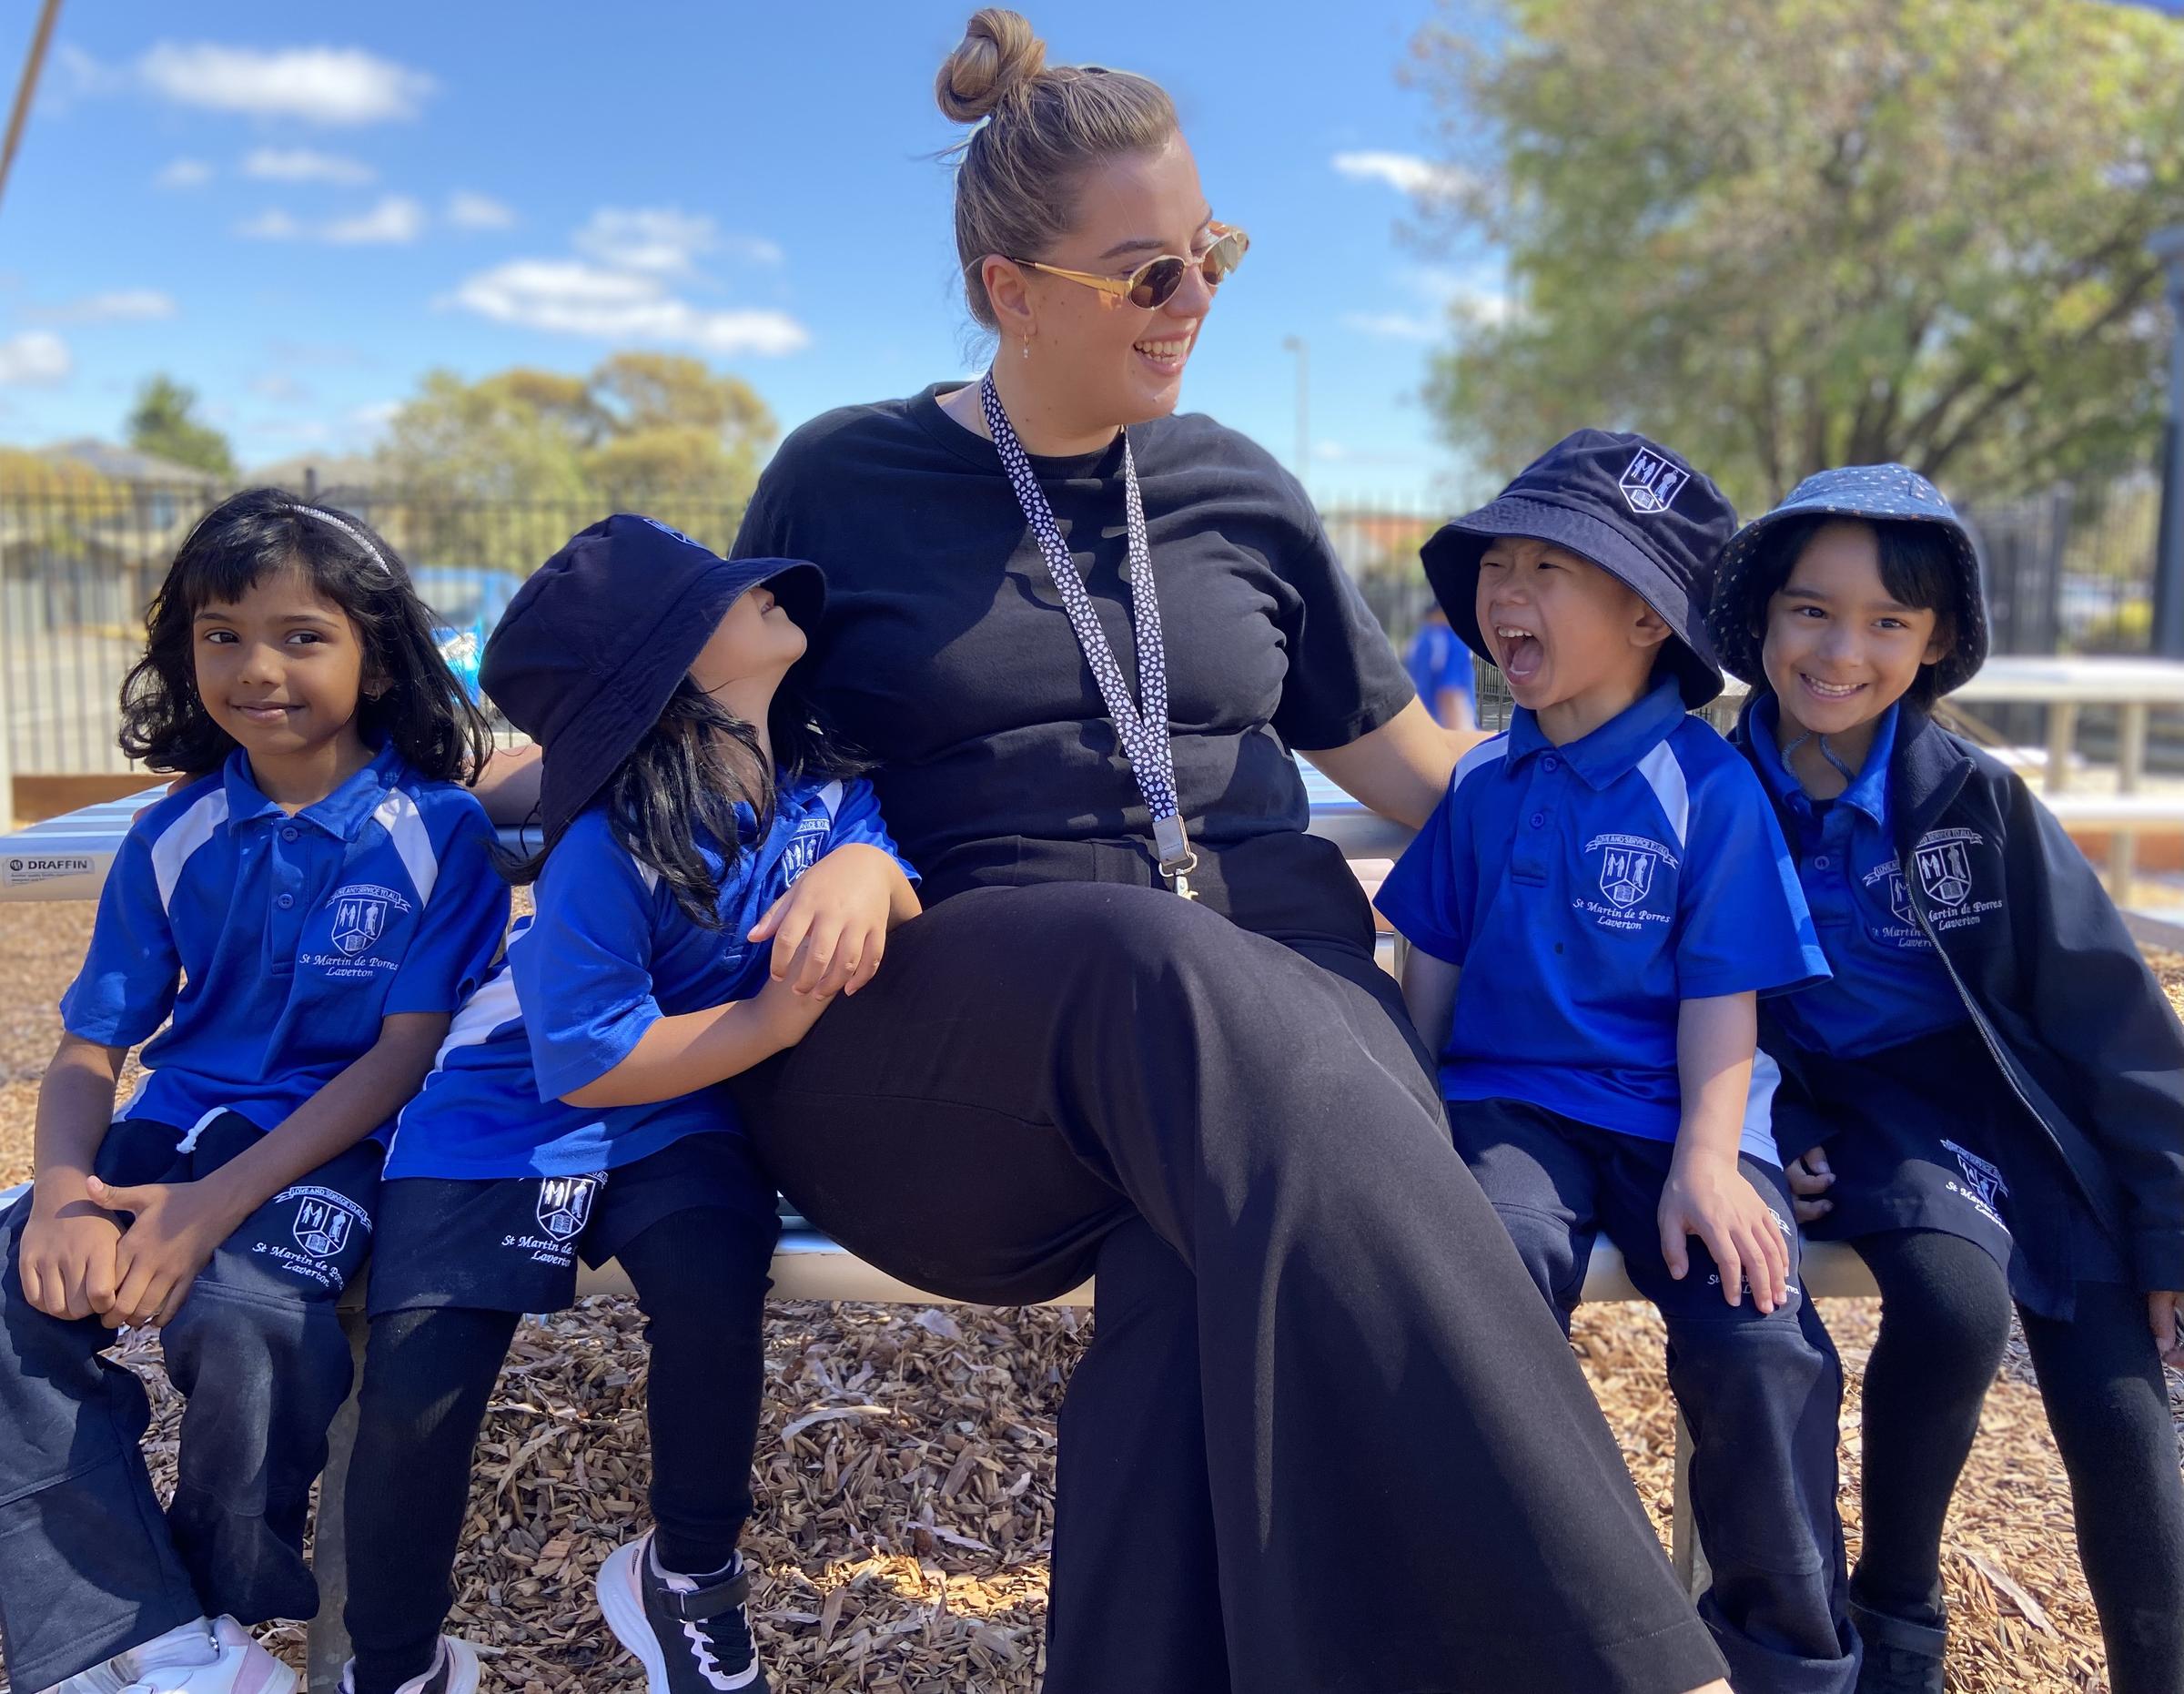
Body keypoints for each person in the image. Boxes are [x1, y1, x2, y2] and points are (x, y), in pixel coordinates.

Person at [479, 15, 1735, 1691]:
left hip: (1277, 1037)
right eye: (1147, 273)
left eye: (1212, 252)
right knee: (1163, 966)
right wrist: (497, 789)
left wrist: (1710, 846)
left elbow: (1435, 779)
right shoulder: (845, 479)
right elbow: (696, 722)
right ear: (1010, 290)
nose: (1195, 297)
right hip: (944, 1044)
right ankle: (1640, 1664)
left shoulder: (1240, 489)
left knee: (1196, 1261)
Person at [339, 519, 915, 1694]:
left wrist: (871, 872)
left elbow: (889, 874)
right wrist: (774, 1023)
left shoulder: (824, 790)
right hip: (503, 1106)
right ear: (665, 671)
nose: (764, 589)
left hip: (679, 1100)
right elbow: (590, 1057)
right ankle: (396, 1663)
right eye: (719, 595)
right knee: (419, 1379)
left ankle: (688, 1573)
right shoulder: (610, 843)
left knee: (713, 1274)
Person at [0, 491, 509, 1694]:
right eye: (221, 634)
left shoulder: (438, 831)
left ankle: (210, 1612)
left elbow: (400, 1058)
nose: (257, 668)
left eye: (302, 635)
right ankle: (141, 1634)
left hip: (336, 1144)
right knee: (12, 1290)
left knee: (249, 1318)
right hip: (175, 1125)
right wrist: (64, 1195)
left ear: (378, 656)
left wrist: (206, 1212)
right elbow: (89, 1050)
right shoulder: (171, 832)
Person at [1374, 431, 1855, 1693]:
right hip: (1509, 1107)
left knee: (1760, 1332)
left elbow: (1721, 1002)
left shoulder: (1707, 790)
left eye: (1549, 567)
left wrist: (1709, 1162)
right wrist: (1416, 1120)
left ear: (1648, 616)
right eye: (1497, 565)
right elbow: (1435, 968)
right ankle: (1495, 1624)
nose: (1505, 592)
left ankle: (1791, 1658)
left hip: (1683, 1113)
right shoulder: (1486, 780)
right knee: (1484, 1265)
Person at [1705, 465, 2184, 1694]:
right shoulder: (1708, 791)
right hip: (1866, 1104)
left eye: (1888, 621)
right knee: (1956, 1305)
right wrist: (1776, 1118)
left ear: (1935, 640)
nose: (1840, 651)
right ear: (1760, 615)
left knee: (2124, 1402)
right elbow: (1672, 997)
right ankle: (1899, 1619)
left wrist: (2167, 1218)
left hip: (2019, 1102)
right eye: (1811, 610)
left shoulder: (1975, 796)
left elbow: (2107, 1012)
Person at [1404, 604, 1477, 728]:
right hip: (1443, 729)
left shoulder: (1421, 639)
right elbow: (1451, 696)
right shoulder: (1451, 641)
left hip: (1418, 724)